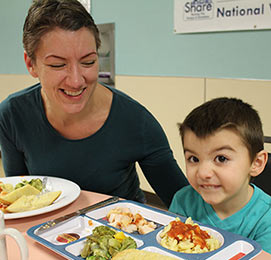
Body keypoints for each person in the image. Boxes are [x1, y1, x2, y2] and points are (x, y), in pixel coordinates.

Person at [0, 0, 188, 206]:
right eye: (58, 64)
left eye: (88, 61)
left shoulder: (136, 121)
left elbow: (187, 205)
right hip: (46, 232)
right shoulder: (12, 115)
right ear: (31, 65)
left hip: (123, 231)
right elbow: (18, 203)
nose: (76, 80)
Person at [169, 97, 271, 259]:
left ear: (256, 163)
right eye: (194, 159)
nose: (203, 173)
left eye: (221, 158)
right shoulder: (183, 201)